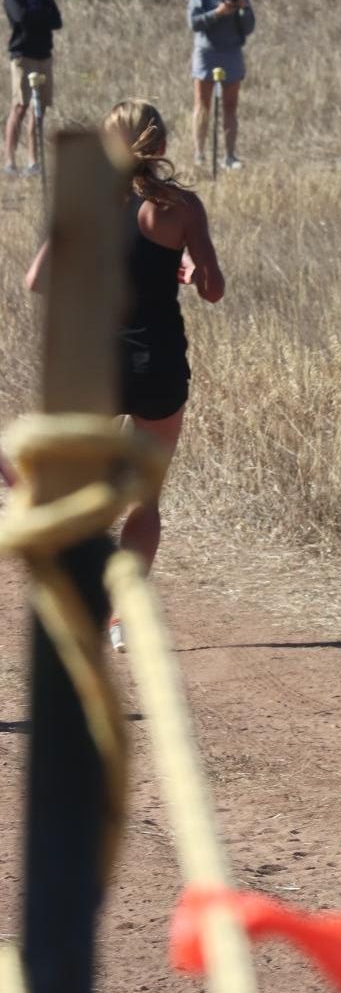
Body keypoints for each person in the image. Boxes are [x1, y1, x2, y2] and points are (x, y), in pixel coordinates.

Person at [25, 101, 225, 649]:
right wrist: (186, 268)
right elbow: (212, 288)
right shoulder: (181, 206)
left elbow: (37, 279)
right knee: (145, 500)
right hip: (157, 360)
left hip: (94, 362)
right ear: (160, 144)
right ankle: (118, 618)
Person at [188, 0, 255, 168]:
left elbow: (249, 27)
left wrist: (243, 8)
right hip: (207, 53)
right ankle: (199, 154)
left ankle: (230, 156)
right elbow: (194, 23)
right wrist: (217, 13)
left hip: (231, 53)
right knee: (202, 104)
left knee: (230, 105)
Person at [5, 0, 62, 177]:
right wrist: (41, 17)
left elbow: (57, 20)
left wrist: (36, 17)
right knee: (20, 107)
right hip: (22, 55)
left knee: (39, 110)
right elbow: (20, 17)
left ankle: (33, 161)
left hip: (43, 55)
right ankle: (9, 161)